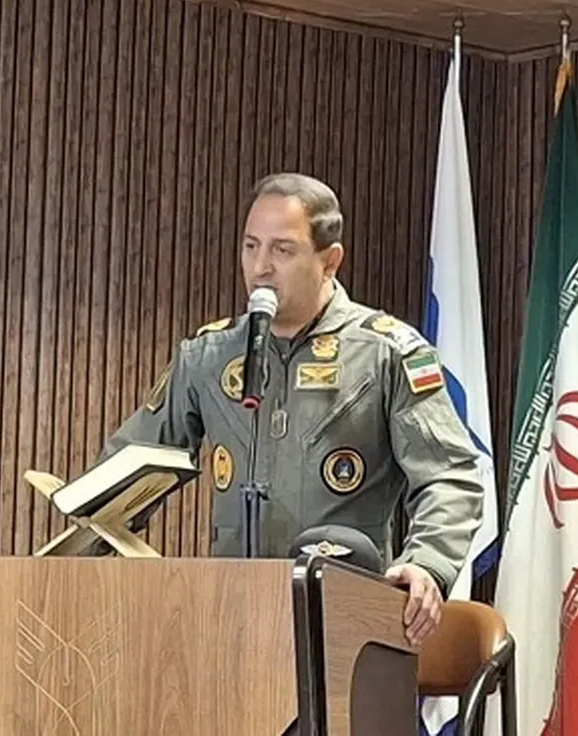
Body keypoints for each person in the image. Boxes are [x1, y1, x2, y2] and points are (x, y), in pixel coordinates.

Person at [95, 172, 484, 646]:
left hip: (345, 624)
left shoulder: (386, 352)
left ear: (330, 261)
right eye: (250, 246)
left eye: (282, 250)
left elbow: (450, 477)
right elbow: (129, 467)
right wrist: (79, 544)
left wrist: (427, 564)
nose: (260, 267)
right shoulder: (209, 355)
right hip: (230, 622)